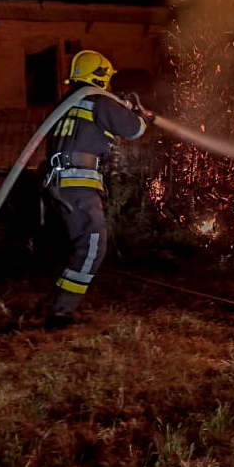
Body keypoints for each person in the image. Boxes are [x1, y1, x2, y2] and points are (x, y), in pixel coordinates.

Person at [39, 49, 151, 327]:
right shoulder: (99, 99)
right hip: (77, 184)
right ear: (100, 77)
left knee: (81, 244)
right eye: (108, 78)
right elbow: (135, 130)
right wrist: (137, 113)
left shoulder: (68, 102)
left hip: (58, 183)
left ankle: (56, 303)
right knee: (92, 245)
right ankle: (59, 313)